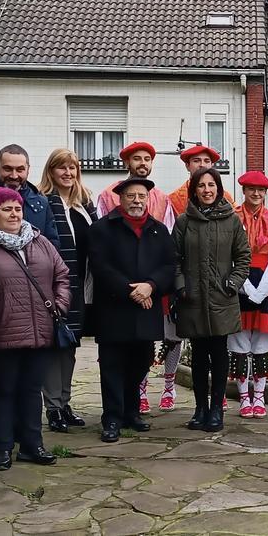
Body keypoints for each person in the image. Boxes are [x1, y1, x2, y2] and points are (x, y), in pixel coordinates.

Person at [0, 187, 70, 471]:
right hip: (1, 333)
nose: (14, 214)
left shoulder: (40, 242)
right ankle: (3, 448)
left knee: (31, 391)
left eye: (17, 209)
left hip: (39, 332)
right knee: (3, 392)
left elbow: (62, 276)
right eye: (6, 209)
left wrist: (59, 307)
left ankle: (33, 445)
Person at [88, 178, 176, 443]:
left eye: (141, 195)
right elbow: (101, 267)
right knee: (113, 366)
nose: (137, 200)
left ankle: (132, 412)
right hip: (115, 309)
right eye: (131, 196)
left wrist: (151, 286)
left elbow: (169, 266)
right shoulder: (102, 229)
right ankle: (112, 418)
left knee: (141, 362)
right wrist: (133, 292)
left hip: (146, 309)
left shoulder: (159, 230)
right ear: (120, 198)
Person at [173, 168, 250, 433]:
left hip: (221, 298)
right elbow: (175, 259)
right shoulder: (184, 221)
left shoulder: (232, 220)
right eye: (201, 186)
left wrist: (233, 284)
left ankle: (216, 408)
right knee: (198, 357)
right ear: (194, 190)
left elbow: (243, 257)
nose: (207, 190)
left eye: (211, 185)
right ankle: (199, 409)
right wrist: (181, 287)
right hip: (192, 299)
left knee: (219, 355)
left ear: (218, 188)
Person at [38, 149, 99, 433]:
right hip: (53, 289)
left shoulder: (84, 204)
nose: (68, 173)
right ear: (51, 171)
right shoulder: (42, 203)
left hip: (81, 286)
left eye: (72, 168)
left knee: (70, 346)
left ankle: (64, 402)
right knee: (54, 348)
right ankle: (53, 408)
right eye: (61, 168)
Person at [230, 171, 268, 419]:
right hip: (238, 282)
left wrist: (261, 291)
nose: (256, 194)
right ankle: (243, 398)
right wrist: (244, 286)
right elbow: (227, 255)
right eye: (251, 189)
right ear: (244, 190)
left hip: (267, 283)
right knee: (240, 344)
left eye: (261, 190)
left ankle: (260, 397)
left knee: (262, 345)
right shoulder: (231, 218)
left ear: (265, 193)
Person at [168, 144, 234, 216]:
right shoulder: (175, 199)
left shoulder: (225, 197)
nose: (202, 165)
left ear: (212, 165)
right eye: (196, 161)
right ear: (187, 166)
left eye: (207, 161)